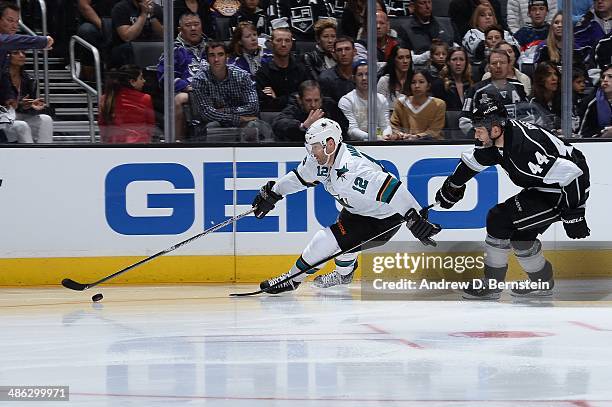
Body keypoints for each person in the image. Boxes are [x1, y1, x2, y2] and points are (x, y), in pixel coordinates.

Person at [251, 117, 441, 293]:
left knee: (326, 240)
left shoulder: (353, 169)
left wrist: (415, 218)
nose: (311, 153)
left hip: (383, 219)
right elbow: (298, 178)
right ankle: (344, 276)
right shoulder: (319, 159)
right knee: (345, 248)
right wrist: (274, 192)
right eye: (310, 147)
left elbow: (392, 188)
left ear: (330, 144)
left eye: (315, 147)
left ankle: (292, 279)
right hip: (355, 210)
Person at [435, 97, 590, 299]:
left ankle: (492, 284)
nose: (476, 134)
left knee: (499, 219)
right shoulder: (498, 138)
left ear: (496, 129)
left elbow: (573, 174)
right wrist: (452, 186)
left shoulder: (524, 149)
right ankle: (541, 282)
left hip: (565, 192)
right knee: (521, 237)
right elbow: (474, 162)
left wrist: (575, 214)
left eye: (479, 129)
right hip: (545, 187)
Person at [191, 41, 272, 140]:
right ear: (207, 59)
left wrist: (225, 111)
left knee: (253, 126)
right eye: (212, 55)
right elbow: (207, 114)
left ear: (227, 57)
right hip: (217, 123)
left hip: (244, 123)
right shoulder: (199, 80)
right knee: (212, 126)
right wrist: (239, 118)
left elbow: (253, 107)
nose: (216, 59)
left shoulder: (242, 76)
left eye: (220, 55)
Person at [156, 12, 207, 140]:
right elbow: (165, 78)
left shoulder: (211, 48)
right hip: (188, 92)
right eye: (188, 25)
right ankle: (177, 143)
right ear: (180, 29)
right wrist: (186, 87)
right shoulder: (173, 50)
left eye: (196, 24)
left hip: (213, 90)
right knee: (179, 99)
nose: (193, 28)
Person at [459, 49, 528, 135]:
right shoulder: (476, 90)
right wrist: (481, 135)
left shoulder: (518, 87)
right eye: (494, 63)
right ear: (488, 66)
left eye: (502, 63)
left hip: (516, 138)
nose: (498, 66)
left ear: (509, 65)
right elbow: (464, 121)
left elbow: (528, 115)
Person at [255, 27, 312, 111]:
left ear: (292, 44)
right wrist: (296, 97)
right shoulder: (262, 73)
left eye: (287, 41)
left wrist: (277, 99)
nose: (283, 44)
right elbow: (265, 105)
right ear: (271, 43)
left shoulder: (302, 69)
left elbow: (309, 98)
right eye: (279, 40)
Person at [272, 80, 349, 141]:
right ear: (300, 100)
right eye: (308, 100)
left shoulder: (330, 106)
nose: (313, 105)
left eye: (316, 100)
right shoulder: (294, 108)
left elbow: (344, 126)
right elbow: (278, 124)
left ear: (321, 99)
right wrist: (303, 126)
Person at [3, 50, 53, 143]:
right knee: (22, 126)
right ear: (6, 56)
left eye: (23, 53)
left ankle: (45, 153)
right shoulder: (2, 77)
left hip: (17, 115)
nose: (21, 55)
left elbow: (25, 107)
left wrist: (32, 106)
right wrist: (19, 104)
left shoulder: (29, 79)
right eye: (16, 53)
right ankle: (30, 154)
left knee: (46, 119)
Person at [98, 64, 156, 143]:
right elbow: (150, 125)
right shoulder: (146, 98)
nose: (144, 81)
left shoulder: (105, 98)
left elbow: (102, 126)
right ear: (132, 82)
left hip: (114, 146)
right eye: (141, 78)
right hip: (140, 146)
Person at [338, 60, 391, 140]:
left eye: (367, 74)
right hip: (356, 145)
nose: (364, 78)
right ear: (353, 78)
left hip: (379, 143)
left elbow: (385, 125)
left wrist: (385, 136)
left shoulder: (381, 99)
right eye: (360, 75)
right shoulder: (346, 101)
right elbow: (352, 130)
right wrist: (372, 137)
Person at [389, 69, 446, 140]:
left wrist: (417, 136)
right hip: (405, 144)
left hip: (432, 145)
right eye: (413, 82)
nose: (417, 86)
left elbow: (435, 130)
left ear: (428, 85)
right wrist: (400, 134)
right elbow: (394, 126)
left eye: (421, 82)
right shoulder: (401, 102)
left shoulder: (439, 104)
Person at [110, 0, 163, 68]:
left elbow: (164, 36)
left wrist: (152, 16)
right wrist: (143, 14)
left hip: (150, 46)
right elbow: (127, 37)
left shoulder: (156, 8)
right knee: (128, 48)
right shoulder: (121, 8)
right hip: (125, 48)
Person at [432, 46, 473, 110]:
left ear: (466, 62)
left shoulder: (472, 83)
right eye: (454, 59)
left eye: (461, 59)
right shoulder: (439, 84)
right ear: (448, 62)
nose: (458, 63)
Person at [318, 36, 357, 104]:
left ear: (354, 52)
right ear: (334, 54)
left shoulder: (363, 75)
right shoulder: (326, 78)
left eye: (347, 49)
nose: (343, 53)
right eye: (339, 50)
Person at [377, 45, 413, 110]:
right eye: (400, 58)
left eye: (408, 57)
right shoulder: (384, 82)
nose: (405, 61)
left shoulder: (415, 80)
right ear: (393, 60)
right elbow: (378, 109)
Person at [579, 64, 612, 137]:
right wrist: (603, 134)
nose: (605, 80)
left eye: (610, 77)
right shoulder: (591, 102)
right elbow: (581, 134)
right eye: (603, 77)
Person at [529, 61, 561, 131]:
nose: (554, 78)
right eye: (548, 75)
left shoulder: (562, 99)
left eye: (555, 74)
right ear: (540, 79)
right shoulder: (533, 102)